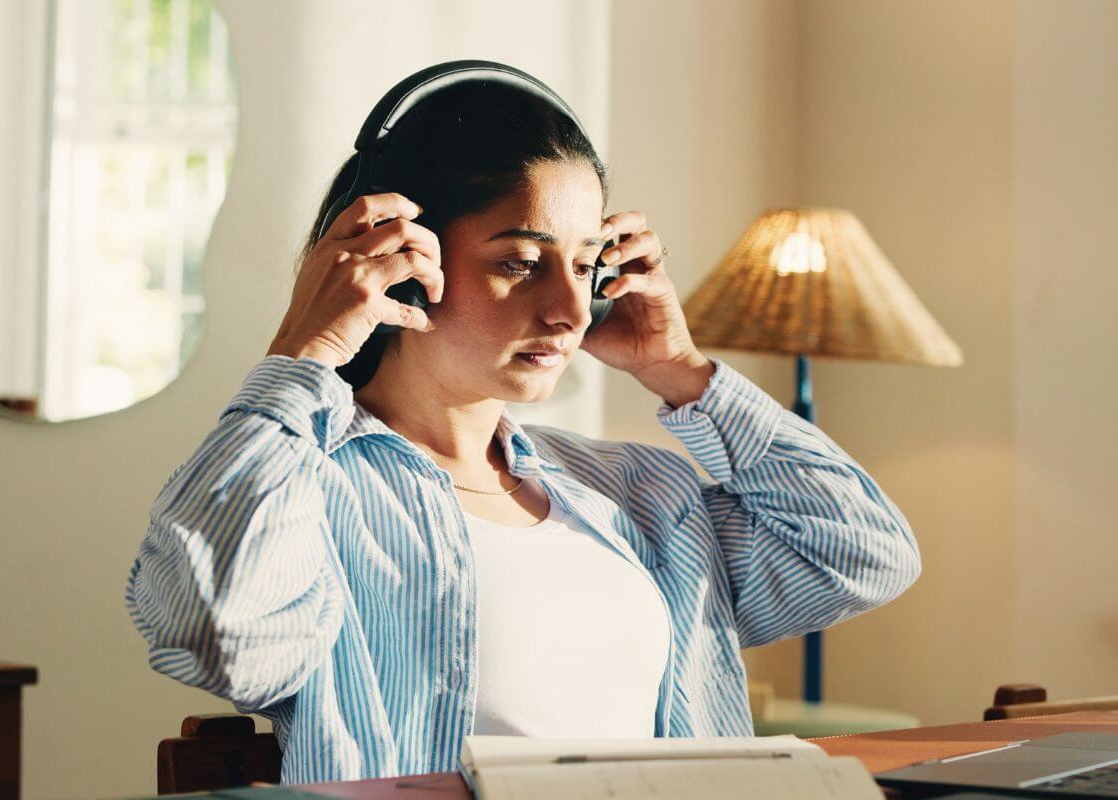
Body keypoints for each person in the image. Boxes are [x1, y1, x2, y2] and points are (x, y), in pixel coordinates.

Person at [124, 78, 921, 785]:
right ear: (399, 263)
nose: (570, 311)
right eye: (520, 263)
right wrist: (304, 353)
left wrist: (680, 368)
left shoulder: (640, 496)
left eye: (585, 267)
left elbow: (864, 552)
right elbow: (216, 638)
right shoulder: (313, 491)